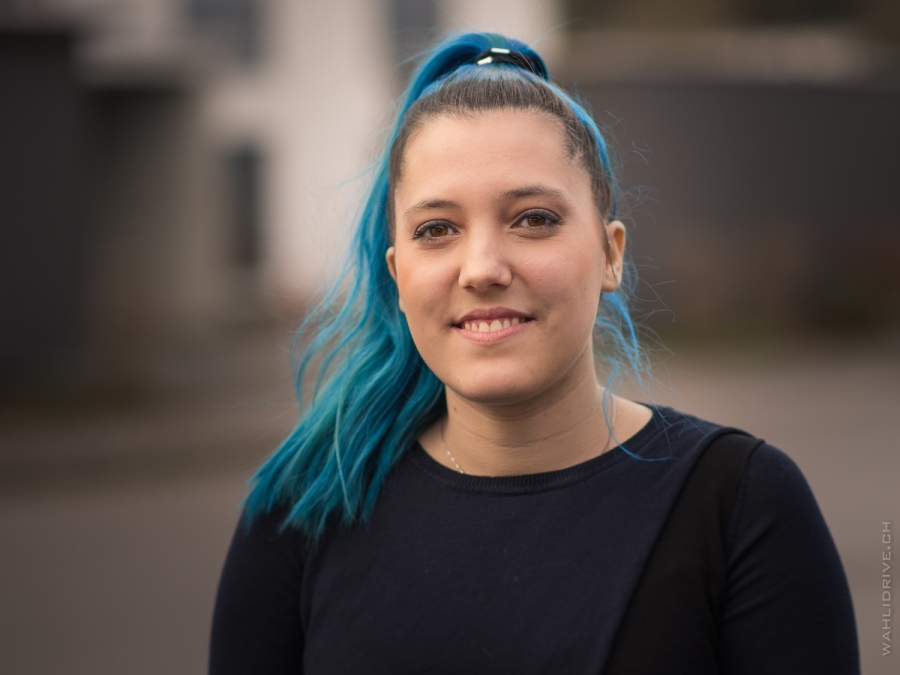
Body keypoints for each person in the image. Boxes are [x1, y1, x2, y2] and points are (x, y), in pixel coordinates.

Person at [209, 33, 859, 674]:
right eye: (437, 229)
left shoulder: (742, 504)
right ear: (398, 274)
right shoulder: (301, 514)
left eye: (533, 219)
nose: (482, 268)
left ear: (611, 253)